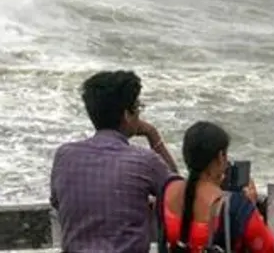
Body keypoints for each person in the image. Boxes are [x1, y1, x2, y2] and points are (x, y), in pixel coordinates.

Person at [50, 70, 180, 253]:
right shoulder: (144, 161)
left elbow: (57, 203)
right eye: (138, 107)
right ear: (127, 115)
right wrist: (153, 134)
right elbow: (178, 197)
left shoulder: (64, 156)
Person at [160, 121, 274, 253]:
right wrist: (250, 207)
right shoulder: (235, 206)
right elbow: (269, 248)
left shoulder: (168, 189)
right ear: (221, 157)